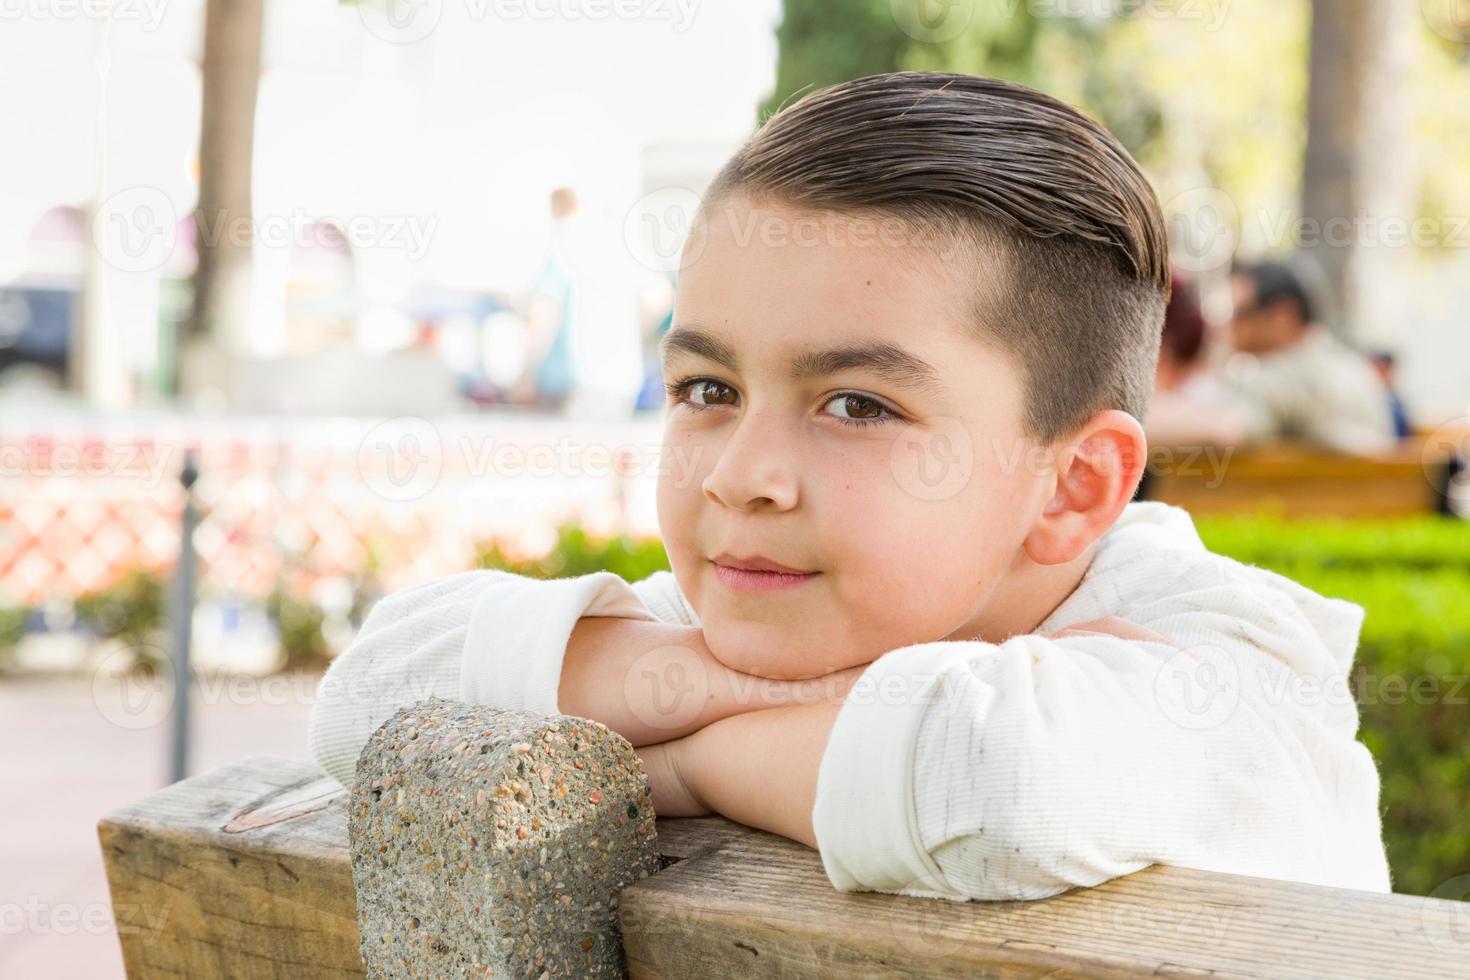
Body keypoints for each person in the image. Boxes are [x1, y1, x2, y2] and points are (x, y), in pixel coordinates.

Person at [309, 72, 1392, 901]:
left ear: (1071, 486)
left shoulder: (1241, 669)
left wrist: (678, 751)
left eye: (858, 405)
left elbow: (997, 777)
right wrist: (794, 715)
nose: (742, 476)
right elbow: (370, 691)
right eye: (706, 385)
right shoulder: (778, 605)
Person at [1148, 259, 1399, 455]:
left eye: (1239, 313)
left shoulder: (1286, 374)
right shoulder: (1352, 368)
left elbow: (1224, 433)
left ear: (1283, 315)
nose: (1228, 326)